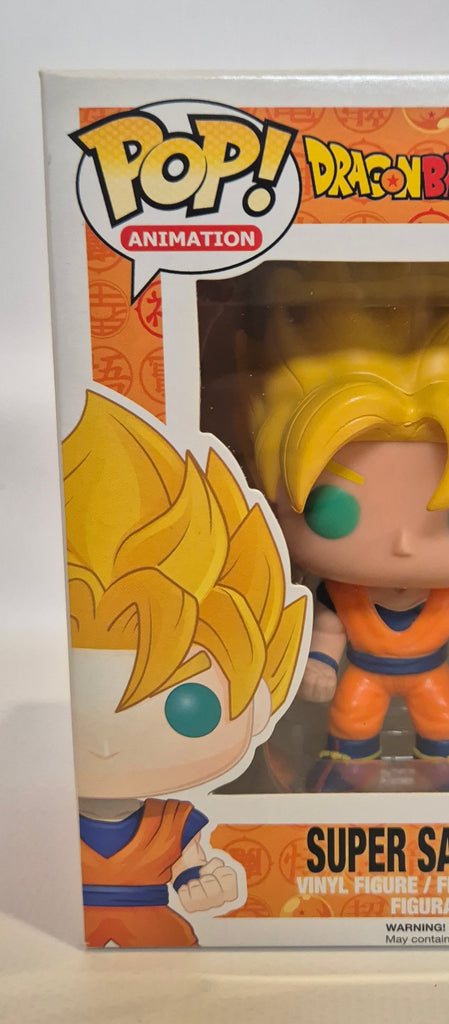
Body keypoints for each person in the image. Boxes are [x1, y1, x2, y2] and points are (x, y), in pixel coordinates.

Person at [237, 262, 449, 792]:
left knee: (444, 718)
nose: (402, 544)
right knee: (351, 718)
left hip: (431, 674)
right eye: (334, 511)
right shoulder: (340, 595)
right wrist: (318, 665)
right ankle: (344, 773)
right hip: (363, 674)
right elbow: (326, 634)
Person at [64, 391, 308, 945]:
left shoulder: (174, 824)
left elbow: (196, 873)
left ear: (259, 701)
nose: (106, 745)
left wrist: (209, 884)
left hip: (163, 948)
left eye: (189, 709)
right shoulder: (41, 815)